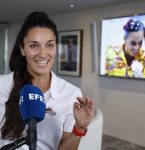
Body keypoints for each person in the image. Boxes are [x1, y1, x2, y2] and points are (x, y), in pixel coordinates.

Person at [0, 12, 94, 150]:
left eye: (49, 45)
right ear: (22, 49)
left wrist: (79, 128)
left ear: (56, 47)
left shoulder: (71, 93)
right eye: (34, 46)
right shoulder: (2, 85)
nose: (43, 54)